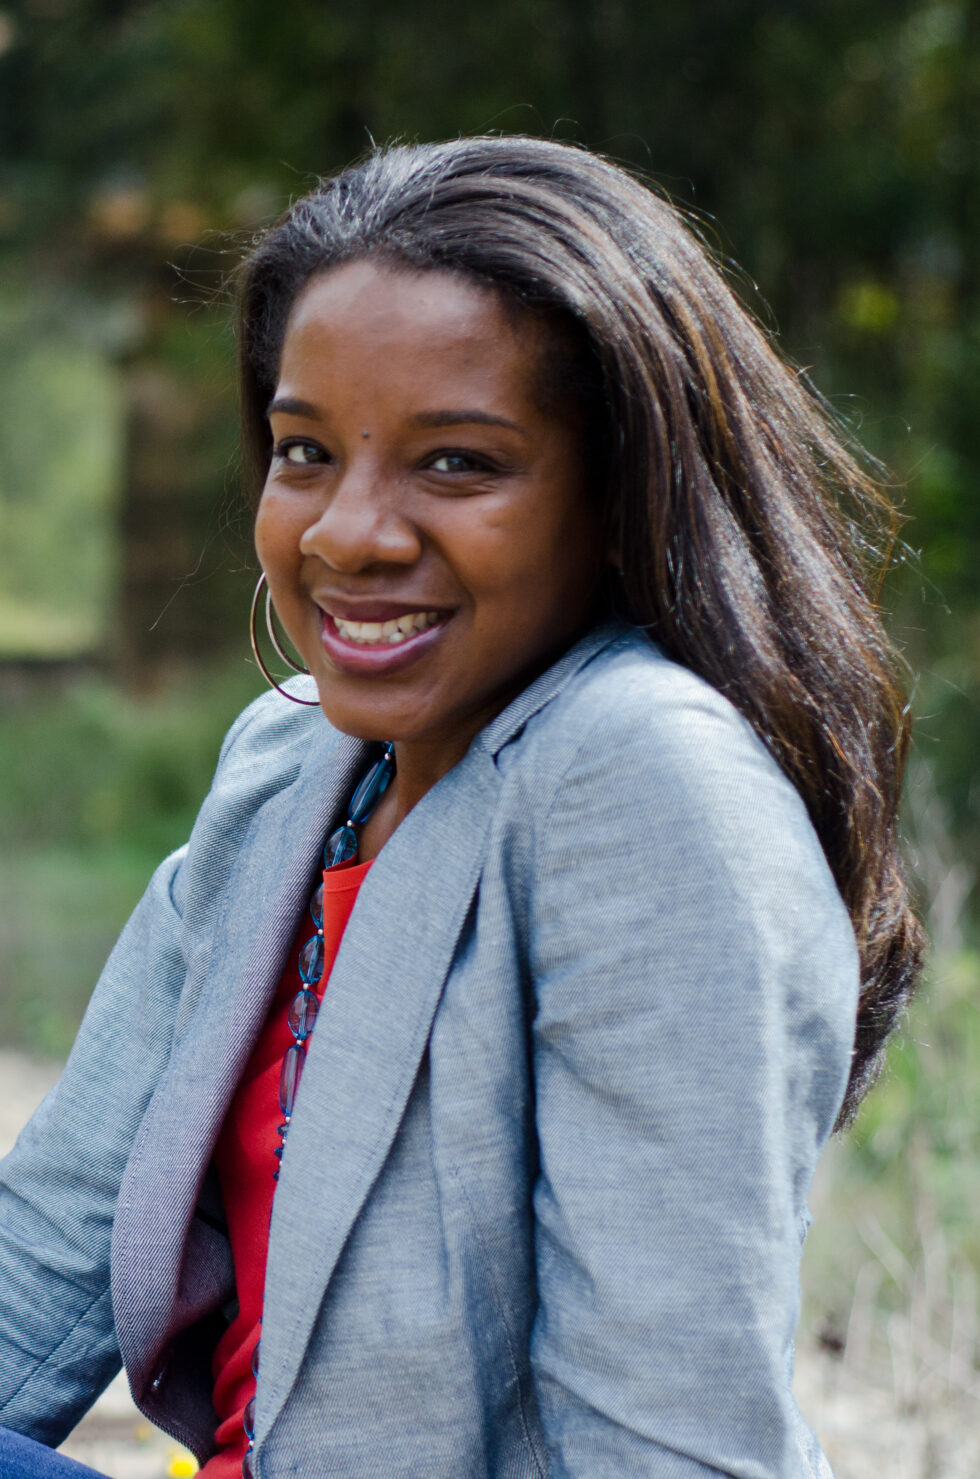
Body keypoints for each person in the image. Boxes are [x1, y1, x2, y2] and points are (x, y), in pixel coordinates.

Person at [0, 136, 923, 1478]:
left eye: (456, 465)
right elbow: (48, 1248)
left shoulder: (646, 780)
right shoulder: (290, 767)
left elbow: (668, 1432)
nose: (347, 532)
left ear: (620, 490)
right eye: (306, 451)